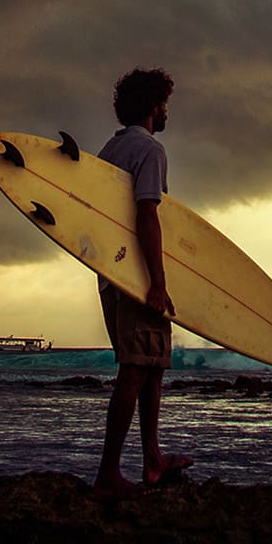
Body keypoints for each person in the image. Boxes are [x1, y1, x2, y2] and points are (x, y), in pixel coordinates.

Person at [92, 66, 195, 499]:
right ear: (154, 106)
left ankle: (152, 459)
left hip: (110, 275)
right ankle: (108, 475)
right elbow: (147, 213)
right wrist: (158, 281)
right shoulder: (149, 150)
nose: (167, 110)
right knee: (135, 370)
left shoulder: (109, 150)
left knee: (151, 367)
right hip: (137, 277)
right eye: (164, 103)